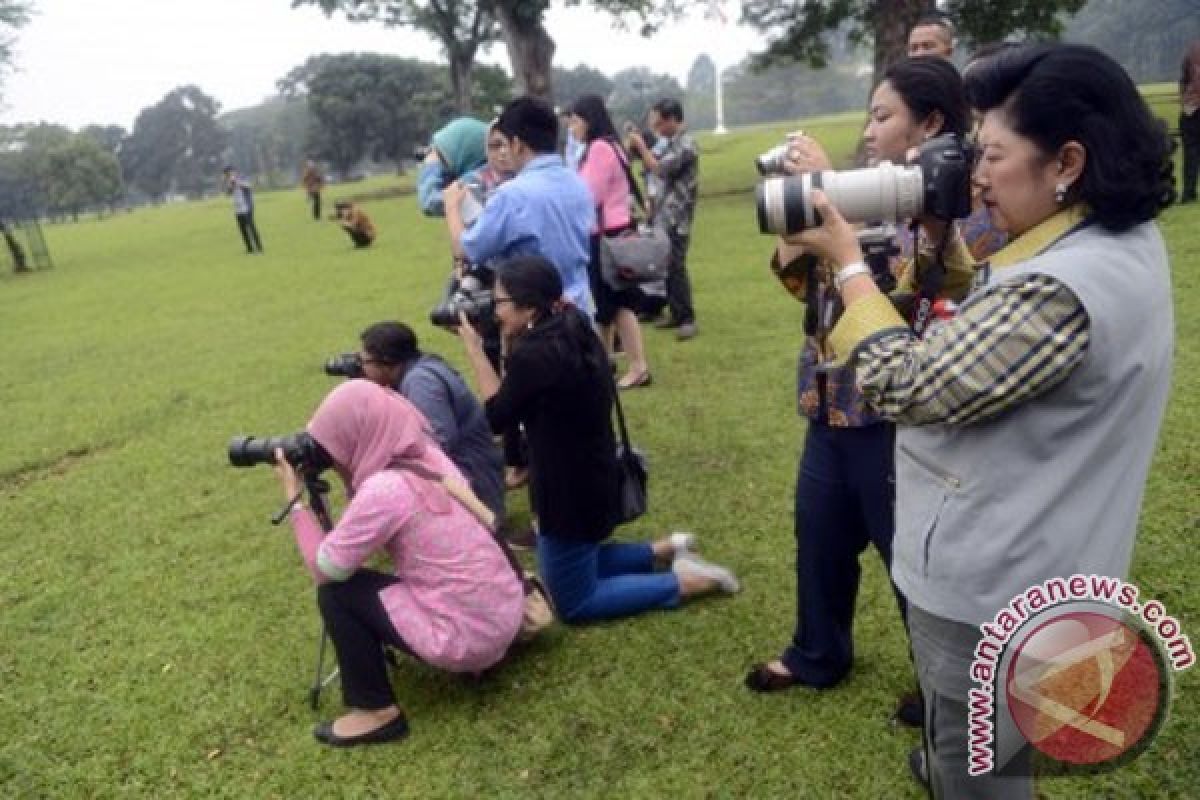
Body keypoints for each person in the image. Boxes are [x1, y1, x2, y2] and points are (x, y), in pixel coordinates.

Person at [791, 43, 1174, 798]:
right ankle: (945, 762)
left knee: (983, 766)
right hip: (1039, 559)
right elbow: (990, 326)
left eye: (993, 156)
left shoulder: (1064, 289)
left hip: (993, 589)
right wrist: (942, 248)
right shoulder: (1108, 241)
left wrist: (845, 260)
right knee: (969, 738)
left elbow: (902, 382)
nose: (974, 177)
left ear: (1066, 162)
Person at [743, 58, 976, 715]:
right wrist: (817, 203)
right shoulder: (859, 194)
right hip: (830, 404)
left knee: (912, 558)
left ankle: (947, 691)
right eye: (868, 115)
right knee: (818, 535)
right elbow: (796, 279)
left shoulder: (951, 207)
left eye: (883, 116)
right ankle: (818, 653)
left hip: (896, 414)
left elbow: (926, 289)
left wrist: (839, 207)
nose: (870, 131)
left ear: (929, 124)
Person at [457, 255, 740, 622]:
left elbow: (497, 416)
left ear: (528, 304)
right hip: (590, 470)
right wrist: (509, 340)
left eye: (498, 302)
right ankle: (665, 550)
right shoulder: (572, 323)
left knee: (573, 602)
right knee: (569, 564)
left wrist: (476, 351)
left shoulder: (537, 352)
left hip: (567, 488)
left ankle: (685, 582)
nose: (493, 310)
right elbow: (524, 392)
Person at [271, 379, 525, 747]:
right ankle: (480, 655)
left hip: (468, 638)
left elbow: (323, 569)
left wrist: (296, 503)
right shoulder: (426, 455)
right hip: (505, 615)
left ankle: (376, 712)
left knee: (338, 593)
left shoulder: (384, 491)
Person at [443, 96, 596, 316]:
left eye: (504, 144)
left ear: (517, 144)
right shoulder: (578, 184)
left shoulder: (511, 196)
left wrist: (451, 207)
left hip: (537, 319)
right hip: (580, 310)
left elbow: (467, 250)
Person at [354, 320, 505, 524]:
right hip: (474, 475)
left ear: (387, 361)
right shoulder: (422, 365)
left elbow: (439, 443)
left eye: (364, 362)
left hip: (476, 489)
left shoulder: (420, 382)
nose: (361, 368)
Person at [567, 94, 653, 390]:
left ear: (588, 120)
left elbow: (589, 195)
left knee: (617, 304)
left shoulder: (599, 149)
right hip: (613, 232)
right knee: (606, 305)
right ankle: (604, 364)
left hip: (607, 236)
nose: (571, 127)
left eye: (575, 120)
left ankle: (638, 366)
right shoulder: (609, 145)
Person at [626, 98, 699, 340]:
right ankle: (675, 313)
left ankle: (687, 318)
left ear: (670, 120)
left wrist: (642, 146)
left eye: (659, 122)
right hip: (664, 214)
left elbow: (659, 169)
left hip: (678, 216)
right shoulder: (670, 143)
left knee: (677, 266)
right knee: (667, 265)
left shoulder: (686, 145)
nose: (656, 128)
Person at [417, 117, 488, 217]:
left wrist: (432, 164)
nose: (442, 169)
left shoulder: (478, 179)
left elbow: (430, 202)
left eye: (442, 161)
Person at [222, 166, 263, 254]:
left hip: (247, 207)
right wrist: (231, 185)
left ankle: (259, 248)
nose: (229, 175)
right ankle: (250, 249)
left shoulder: (242, 178)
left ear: (234, 172)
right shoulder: (229, 183)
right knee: (243, 230)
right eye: (227, 174)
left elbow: (249, 186)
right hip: (238, 209)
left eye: (230, 173)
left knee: (251, 228)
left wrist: (236, 182)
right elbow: (227, 194)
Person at [1179, 39, 1200, 203]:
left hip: (1191, 107)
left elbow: (1184, 78)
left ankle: (1189, 192)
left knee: (1191, 153)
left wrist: (1184, 99)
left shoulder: (1193, 49)